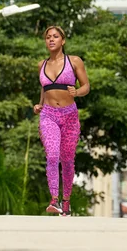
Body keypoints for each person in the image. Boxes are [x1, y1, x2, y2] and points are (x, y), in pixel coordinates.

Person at [34, 25, 90, 216]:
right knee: (51, 155)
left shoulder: (74, 61)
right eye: (48, 37)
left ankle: (66, 201)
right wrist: (39, 104)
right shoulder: (41, 64)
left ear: (62, 41)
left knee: (67, 160)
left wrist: (78, 92)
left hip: (69, 116)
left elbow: (86, 86)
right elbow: (45, 87)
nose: (51, 39)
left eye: (55, 36)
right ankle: (54, 200)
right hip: (48, 114)